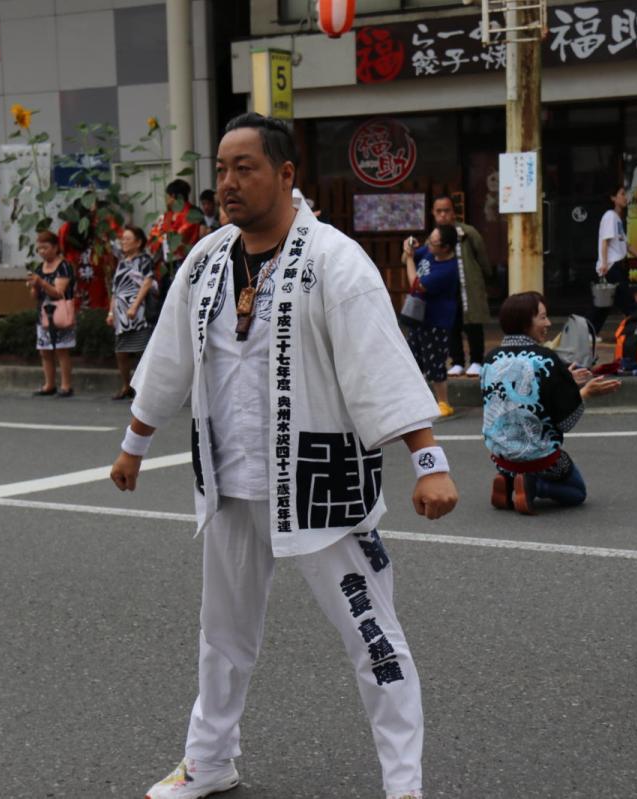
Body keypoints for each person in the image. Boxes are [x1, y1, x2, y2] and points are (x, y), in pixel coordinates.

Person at [111, 112, 458, 799]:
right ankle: (209, 760)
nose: (229, 184)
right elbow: (170, 359)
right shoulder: (208, 260)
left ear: (286, 175)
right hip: (231, 479)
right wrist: (134, 445)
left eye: (246, 168)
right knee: (222, 636)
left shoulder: (334, 259)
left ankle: (405, 784)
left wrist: (429, 461)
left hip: (322, 483)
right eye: (222, 170)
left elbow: (379, 365)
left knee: (373, 638)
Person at [482, 292, 620, 515]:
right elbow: (565, 420)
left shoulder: (490, 358)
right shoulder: (545, 358)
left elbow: (515, 394)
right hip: (537, 458)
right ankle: (532, 485)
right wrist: (585, 392)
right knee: (577, 493)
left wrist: (565, 381)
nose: (548, 323)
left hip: (501, 456)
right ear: (525, 321)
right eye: (543, 317)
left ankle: (508, 481)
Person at [430, 195, 492, 377]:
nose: (443, 215)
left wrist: (484, 277)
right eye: (439, 211)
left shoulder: (467, 232)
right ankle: (456, 361)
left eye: (446, 210)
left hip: (468, 285)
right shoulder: (434, 236)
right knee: (451, 325)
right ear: (433, 213)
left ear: (454, 212)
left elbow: (482, 257)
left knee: (473, 324)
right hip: (446, 288)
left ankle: (477, 361)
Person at [403, 224, 460, 419]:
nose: (428, 244)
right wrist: (409, 250)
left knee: (435, 362)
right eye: (429, 239)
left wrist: (410, 257)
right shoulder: (429, 252)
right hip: (419, 318)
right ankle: (415, 401)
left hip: (437, 320)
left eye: (433, 242)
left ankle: (443, 402)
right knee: (414, 358)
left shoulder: (448, 269)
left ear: (445, 247)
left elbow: (415, 285)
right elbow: (407, 259)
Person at [587, 182, 637, 337]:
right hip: (611, 268)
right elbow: (605, 241)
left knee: (602, 305)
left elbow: (626, 244)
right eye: (622, 194)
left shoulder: (617, 218)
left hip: (613, 266)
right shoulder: (610, 216)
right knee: (628, 303)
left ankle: (589, 334)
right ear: (613, 198)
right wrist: (604, 263)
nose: (626, 197)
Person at [105, 225, 156, 400]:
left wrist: (134, 306)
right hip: (121, 314)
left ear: (138, 242)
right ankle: (126, 385)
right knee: (121, 352)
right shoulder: (122, 262)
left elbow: (147, 283)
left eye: (127, 239)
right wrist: (111, 313)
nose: (123, 242)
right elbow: (115, 290)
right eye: (123, 239)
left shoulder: (144, 260)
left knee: (143, 351)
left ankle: (144, 389)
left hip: (138, 312)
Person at [26, 230, 75, 398]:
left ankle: (66, 385)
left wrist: (41, 282)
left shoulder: (64, 266)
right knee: (44, 350)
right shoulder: (40, 268)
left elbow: (58, 292)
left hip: (60, 311)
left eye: (45, 248)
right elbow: (35, 296)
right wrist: (34, 286)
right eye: (39, 249)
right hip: (43, 312)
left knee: (62, 349)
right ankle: (49, 384)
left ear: (55, 248)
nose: (42, 252)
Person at [60, 200, 116, 313]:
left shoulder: (100, 226)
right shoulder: (100, 227)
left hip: (86, 273)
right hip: (87, 273)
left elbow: (62, 250)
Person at [148, 178, 202, 292]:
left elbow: (182, 236)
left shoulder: (191, 213)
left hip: (185, 260)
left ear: (173, 196)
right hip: (167, 262)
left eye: (167, 196)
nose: (166, 200)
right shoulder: (168, 214)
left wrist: (166, 234)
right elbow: (155, 233)